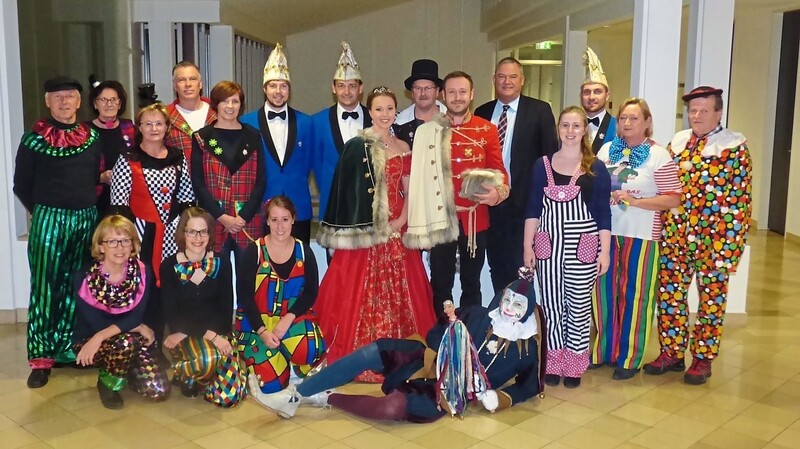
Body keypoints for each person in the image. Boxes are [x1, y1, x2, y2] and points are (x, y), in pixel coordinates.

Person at [247, 278, 543, 422]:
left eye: (518, 304)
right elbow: (433, 334)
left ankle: (326, 397)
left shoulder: (528, 349)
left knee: (391, 408)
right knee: (375, 350)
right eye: (508, 299)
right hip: (427, 359)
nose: (509, 308)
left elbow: (530, 386)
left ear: (527, 310)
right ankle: (296, 395)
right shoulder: (477, 314)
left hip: (444, 393)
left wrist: (502, 398)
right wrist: (449, 331)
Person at [316, 87, 436, 382]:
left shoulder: (404, 147)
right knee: (356, 295)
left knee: (406, 295)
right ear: (370, 112)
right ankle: (359, 358)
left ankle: (404, 358)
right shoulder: (357, 146)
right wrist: (374, 228)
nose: (384, 114)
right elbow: (348, 196)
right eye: (379, 109)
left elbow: (410, 190)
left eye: (389, 108)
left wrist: (400, 222)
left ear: (397, 111)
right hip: (367, 237)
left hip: (398, 232)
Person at [644, 86, 752, 385]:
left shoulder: (734, 147)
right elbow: (666, 186)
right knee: (670, 297)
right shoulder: (677, 143)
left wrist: (730, 248)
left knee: (711, 301)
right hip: (676, 235)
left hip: (713, 239)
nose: (697, 116)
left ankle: (703, 358)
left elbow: (741, 201)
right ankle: (672, 352)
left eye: (704, 110)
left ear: (718, 113)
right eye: (693, 110)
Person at [14, 76, 101, 388]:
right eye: (58, 97)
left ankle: (67, 349)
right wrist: (44, 213)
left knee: (78, 286)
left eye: (70, 96)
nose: (65, 102)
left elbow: (94, 177)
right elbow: (21, 185)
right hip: (50, 218)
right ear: (48, 102)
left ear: (79, 102)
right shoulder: (33, 141)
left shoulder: (91, 138)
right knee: (45, 288)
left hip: (86, 219)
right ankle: (40, 358)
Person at [590, 98, 682, 381]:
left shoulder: (659, 156)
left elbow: (674, 198)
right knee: (603, 295)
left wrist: (635, 201)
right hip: (606, 233)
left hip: (641, 235)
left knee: (636, 296)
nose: (627, 123)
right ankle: (604, 351)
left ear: (646, 122)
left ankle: (629, 357)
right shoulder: (606, 150)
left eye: (633, 118)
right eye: (623, 118)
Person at [405, 71, 510, 312]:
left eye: (463, 92)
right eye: (451, 92)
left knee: (471, 283)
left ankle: (469, 337)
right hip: (441, 218)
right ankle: (440, 337)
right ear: (443, 95)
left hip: (475, 219)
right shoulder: (429, 130)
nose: (457, 97)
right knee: (441, 283)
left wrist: (498, 194)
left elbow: (500, 171)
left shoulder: (487, 130)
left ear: (472, 95)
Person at [523, 106, 612, 388]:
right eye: (565, 126)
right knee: (550, 306)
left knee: (578, 306)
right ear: (558, 129)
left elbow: (602, 213)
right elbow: (532, 209)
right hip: (547, 247)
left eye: (576, 126)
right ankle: (553, 361)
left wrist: (605, 251)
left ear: (585, 130)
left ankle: (574, 364)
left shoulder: (594, 167)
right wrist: (528, 248)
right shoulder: (542, 165)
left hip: (582, 247)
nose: (570, 131)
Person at [109, 103, 196, 348]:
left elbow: (186, 197)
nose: (154, 128)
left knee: (169, 287)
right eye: (147, 123)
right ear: (139, 127)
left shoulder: (177, 157)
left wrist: (186, 234)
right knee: (143, 287)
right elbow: (119, 204)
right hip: (139, 236)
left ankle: (166, 341)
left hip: (171, 234)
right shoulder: (128, 159)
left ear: (167, 127)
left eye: (159, 123)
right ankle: (143, 342)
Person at [475, 57, 558, 293]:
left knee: (519, 267)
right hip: (488, 205)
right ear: (494, 80)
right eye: (501, 76)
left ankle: (519, 324)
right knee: (495, 266)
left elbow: (549, 158)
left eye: (512, 77)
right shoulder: (482, 112)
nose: (506, 81)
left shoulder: (540, 110)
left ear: (522, 80)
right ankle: (502, 320)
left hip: (522, 206)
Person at [72, 215, 169, 409]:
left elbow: (137, 315)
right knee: (125, 342)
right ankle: (108, 383)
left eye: (126, 241)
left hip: (128, 336)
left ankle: (125, 369)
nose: (120, 247)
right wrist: (101, 336)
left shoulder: (142, 271)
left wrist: (138, 324)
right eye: (112, 242)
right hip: (91, 340)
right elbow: (95, 323)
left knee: (158, 391)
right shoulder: (85, 276)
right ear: (101, 246)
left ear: (133, 245)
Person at [236, 196, 325, 394]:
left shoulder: (304, 251)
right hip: (257, 325)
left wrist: (288, 318)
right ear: (266, 221)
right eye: (274, 220)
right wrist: (262, 331)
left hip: (290, 321)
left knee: (312, 348)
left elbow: (311, 292)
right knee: (270, 386)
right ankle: (276, 360)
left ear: (293, 219)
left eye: (285, 219)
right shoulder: (254, 251)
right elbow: (245, 297)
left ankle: (291, 359)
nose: (280, 226)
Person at [160, 207, 246, 406]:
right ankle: (188, 373)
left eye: (203, 231)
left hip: (217, 330)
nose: (197, 238)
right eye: (191, 231)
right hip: (184, 334)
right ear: (183, 233)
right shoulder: (169, 266)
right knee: (206, 359)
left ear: (210, 234)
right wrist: (210, 336)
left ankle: (207, 376)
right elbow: (173, 315)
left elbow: (225, 311)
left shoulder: (222, 262)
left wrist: (216, 336)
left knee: (228, 397)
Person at [241, 43, 316, 243]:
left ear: (289, 90)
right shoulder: (246, 123)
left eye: (283, 86)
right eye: (273, 85)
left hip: (298, 206)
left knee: (299, 263)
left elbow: (308, 163)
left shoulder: (306, 123)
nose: (278, 91)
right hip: (262, 209)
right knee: (264, 268)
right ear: (264, 88)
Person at [191, 81, 266, 259]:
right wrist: (222, 217)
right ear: (215, 104)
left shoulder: (253, 136)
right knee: (216, 280)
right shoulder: (202, 137)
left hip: (248, 222)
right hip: (214, 221)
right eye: (225, 101)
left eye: (235, 101)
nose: (230, 106)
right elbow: (198, 184)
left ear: (241, 105)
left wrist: (243, 217)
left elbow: (261, 182)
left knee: (249, 281)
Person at [312, 42, 372, 227]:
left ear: (361, 88)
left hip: (369, 206)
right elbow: (316, 164)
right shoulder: (317, 121)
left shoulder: (375, 119)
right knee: (335, 257)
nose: (346, 92)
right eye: (341, 86)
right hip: (333, 205)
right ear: (333, 88)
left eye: (352, 86)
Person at [87, 80, 136, 216]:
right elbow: (78, 169)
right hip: (95, 200)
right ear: (95, 104)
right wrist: (100, 177)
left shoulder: (129, 127)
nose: (109, 104)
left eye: (114, 99)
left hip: (127, 198)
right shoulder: (84, 131)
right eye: (103, 100)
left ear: (120, 104)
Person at [165, 61, 217, 166]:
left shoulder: (218, 112)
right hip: (181, 181)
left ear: (201, 84)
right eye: (181, 80)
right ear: (175, 86)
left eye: (193, 79)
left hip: (216, 180)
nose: (188, 84)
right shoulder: (165, 117)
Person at [395, 59, 446, 147]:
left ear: (437, 91)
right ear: (412, 92)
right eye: (418, 88)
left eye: (428, 88)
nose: (423, 93)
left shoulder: (452, 120)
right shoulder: (398, 124)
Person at [581, 48, 616, 154]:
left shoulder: (618, 126)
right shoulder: (571, 126)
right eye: (587, 92)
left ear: (607, 95)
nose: (591, 97)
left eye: (597, 92)